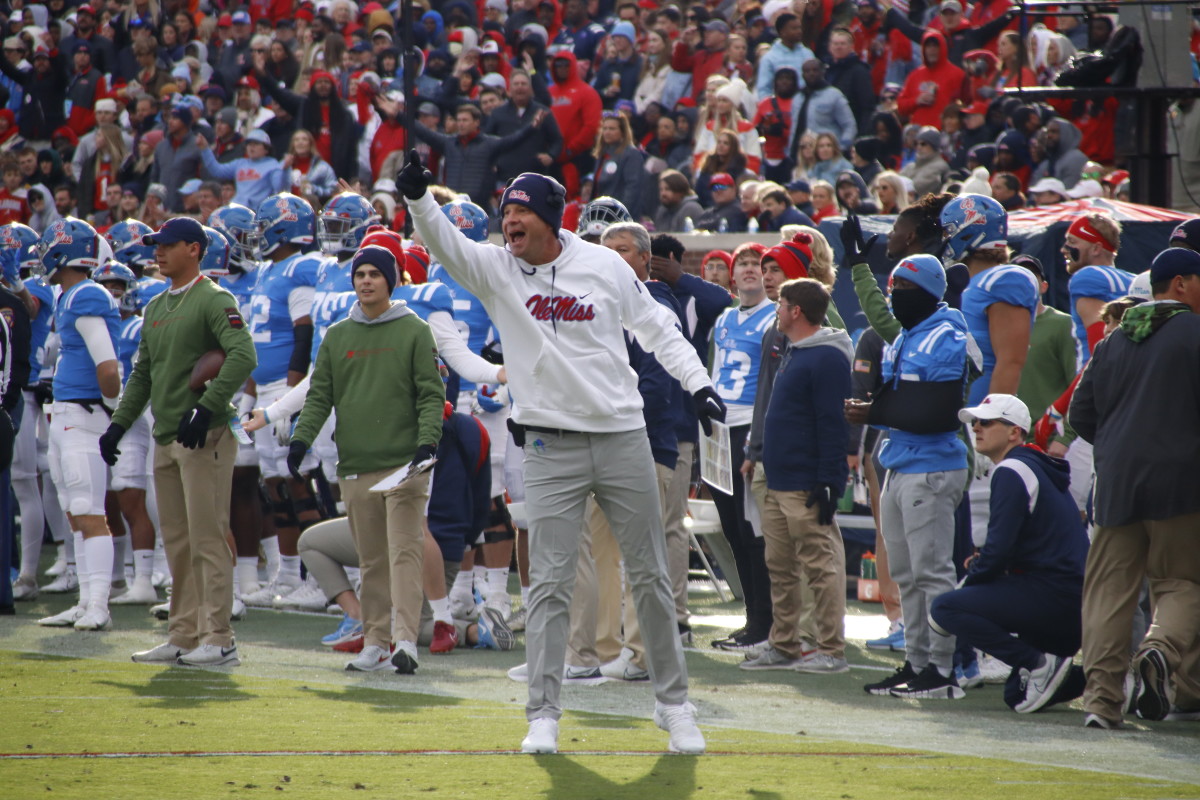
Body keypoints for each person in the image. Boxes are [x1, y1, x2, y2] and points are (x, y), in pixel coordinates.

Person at [401, 153, 722, 755]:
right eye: (505, 213)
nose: (510, 222)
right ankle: (543, 712)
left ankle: (674, 706)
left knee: (651, 575)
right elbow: (445, 246)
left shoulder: (602, 263)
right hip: (548, 443)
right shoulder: (497, 268)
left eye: (520, 211)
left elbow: (655, 326)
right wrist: (421, 200)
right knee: (547, 585)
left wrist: (698, 382)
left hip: (622, 434)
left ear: (550, 217)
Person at [102, 216, 256, 666]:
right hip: (166, 434)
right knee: (177, 539)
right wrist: (119, 424)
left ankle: (220, 638)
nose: (158, 251)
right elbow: (143, 375)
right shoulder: (154, 306)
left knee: (207, 536)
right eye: (156, 245)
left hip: (203, 433)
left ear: (194, 248)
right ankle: (183, 633)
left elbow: (244, 353)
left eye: (167, 244)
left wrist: (207, 407)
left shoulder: (213, 297)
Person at [289, 245, 446, 674]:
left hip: (405, 464)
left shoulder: (415, 330)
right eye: (360, 274)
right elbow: (320, 395)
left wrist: (428, 443)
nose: (366, 280)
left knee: (404, 554)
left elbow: (433, 394)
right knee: (373, 560)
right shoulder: (338, 335)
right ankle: (375, 642)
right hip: (355, 464)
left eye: (376, 273)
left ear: (390, 281)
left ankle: (406, 642)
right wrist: (300, 440)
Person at [1069, 247, 1200, 728]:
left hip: (1117, 484)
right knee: (1184, 584)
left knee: (1107, 593)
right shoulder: (1195, 333)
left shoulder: (1115, 339)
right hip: (1181, 484)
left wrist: (1121, 445)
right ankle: (1162, 655)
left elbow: (1079, 415)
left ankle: (1101, 703)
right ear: (1182, 285)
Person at [846, 254, 970, 699]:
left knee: (932, 573)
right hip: (900, 462)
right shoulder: (910, 335)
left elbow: (934, 412)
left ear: (929, 292)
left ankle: (942, 669)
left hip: (932, 466)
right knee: (904, 573)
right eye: (892, 287)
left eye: (902, 289)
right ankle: (917, 662)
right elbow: (906, 404)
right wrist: (878, 410)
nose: (895, 296)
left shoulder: (946, 334)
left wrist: (875, 410)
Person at [930, 393, 1089, 714]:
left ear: (1014, 431)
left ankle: (1040, 665)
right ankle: (1092, 677)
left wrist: (974, 578)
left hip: (1054, 597)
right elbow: (1022, 544)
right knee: (1014, 696)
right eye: (975, 422)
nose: (976, 427)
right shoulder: (1032, 465)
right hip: (1068, 601)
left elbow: (999, 551)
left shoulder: (1012, 470)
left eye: (986, 422)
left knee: (944, 610)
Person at [752, 278, 853, 673]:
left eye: (781, 304)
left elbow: (833, 423)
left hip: (804, 483)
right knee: (779, 566)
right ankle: (785, 644)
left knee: (819, 566)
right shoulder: (796, 350)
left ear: (796, 311)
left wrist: (830, 480)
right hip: (779, 480)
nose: (776, 310)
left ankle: (831, 649)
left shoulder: (826, 357)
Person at [34, 219, 121, 633]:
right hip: (65, 413)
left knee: (89, 512)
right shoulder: (70, 296)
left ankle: (99, 606)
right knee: (74, 514)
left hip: (84, 415)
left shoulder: (87, 294)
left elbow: (108, 367)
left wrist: (111, 412)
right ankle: (86, 601)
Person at [197, 129, 288, 211]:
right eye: (249, 144)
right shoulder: (240, 163)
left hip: (258, 212)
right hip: (236, 209)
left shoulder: (273, 164)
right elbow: (216, 170)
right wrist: (205, 149)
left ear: (266, 149)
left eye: (256, 144)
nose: (251, 147)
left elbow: (279, 188)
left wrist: (285, 170)